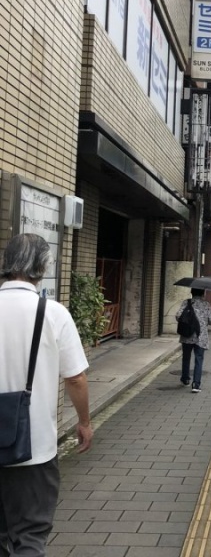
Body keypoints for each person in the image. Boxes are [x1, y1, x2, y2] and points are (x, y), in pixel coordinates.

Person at [0, 233, 93, 555]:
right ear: (42, 267)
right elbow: (76, 379)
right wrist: (84, 422)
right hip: (34, 448)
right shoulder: (52, 313)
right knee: (29, 535)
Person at [176, 288, 211, 393]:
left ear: (191, 292)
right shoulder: (206, 304)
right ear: (203, 293)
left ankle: (185, 379)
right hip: (201, 336)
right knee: (198, 359)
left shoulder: (186, 302)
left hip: (187, 335)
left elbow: (178, 316)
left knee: (186, 358)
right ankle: (196, 384)